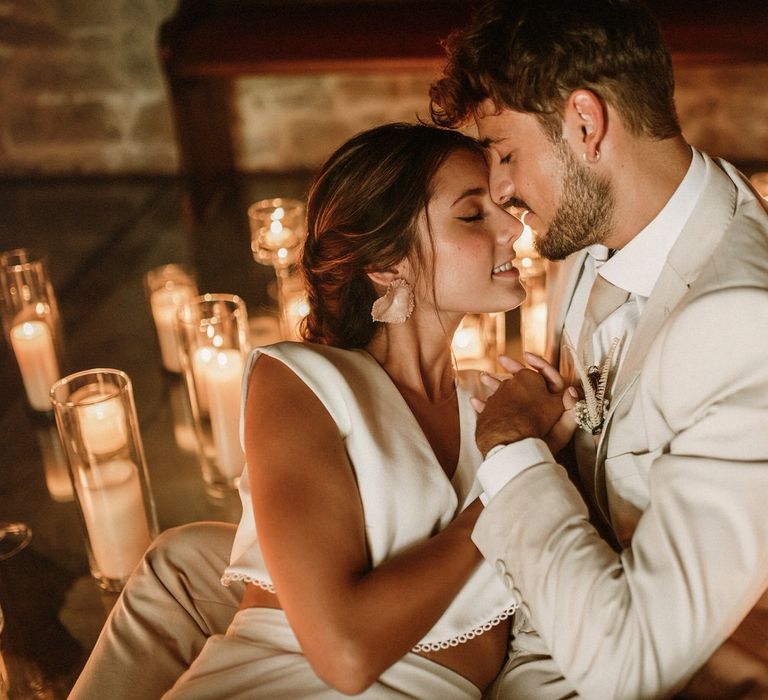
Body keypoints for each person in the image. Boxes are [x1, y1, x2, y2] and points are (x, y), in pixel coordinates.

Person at [70, 122, 563, 699]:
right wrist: (505, 485)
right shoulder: (301, 382)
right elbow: (344, 654)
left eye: (503, 206)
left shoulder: (493, 406)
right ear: (386, 262)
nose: (513, 226)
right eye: (474, 215)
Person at [429, 1, 768, 698]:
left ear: (585, 123)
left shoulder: (744, 326)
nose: (498, 187)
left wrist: (512, 446)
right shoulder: (593, 233)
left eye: (504, 152)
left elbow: (630, 665)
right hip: (517, 604)